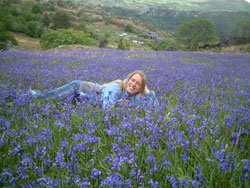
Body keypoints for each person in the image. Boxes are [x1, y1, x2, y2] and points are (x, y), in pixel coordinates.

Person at [25, 70, 159, 108]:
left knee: (54, 106)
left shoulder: (134, 97)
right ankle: (23, 96)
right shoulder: (117, 87)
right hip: (78, 88)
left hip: (82, 99)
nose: (133, 84)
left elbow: (155, 108)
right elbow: (107, 105)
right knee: (43, 99)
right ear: (128, 80)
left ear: (140, 89)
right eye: (132, 80)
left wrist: (148, 92)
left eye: (138, 84)